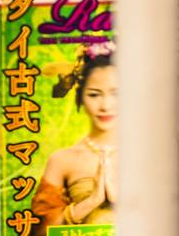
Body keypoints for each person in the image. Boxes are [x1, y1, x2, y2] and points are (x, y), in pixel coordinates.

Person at [32, 42, 117, 227]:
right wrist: (91, 201)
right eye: (94, 95)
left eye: (116, 93)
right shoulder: (62, 159)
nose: (105, 106)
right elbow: (40, 229)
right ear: (81, 96)